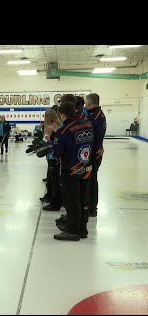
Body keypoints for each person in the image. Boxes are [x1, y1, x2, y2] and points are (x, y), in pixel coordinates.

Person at [51, 101, 93, 241]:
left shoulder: (63, 130)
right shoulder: (87, 124)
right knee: (83, 199)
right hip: (86, 168)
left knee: (72, 200)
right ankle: (82, 229)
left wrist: (53, 137)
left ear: (62, 114)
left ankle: (73, 230)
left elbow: (56, 153)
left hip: (71, 171)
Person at [84, 93, 106, 217]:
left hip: (94, 153)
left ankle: (91, 208)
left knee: (91, 180)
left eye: (86, 103)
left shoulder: (95, 117)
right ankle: (91, 206)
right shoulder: (98, 114)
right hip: (95, 151)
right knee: (91, 180)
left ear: (89, 103)